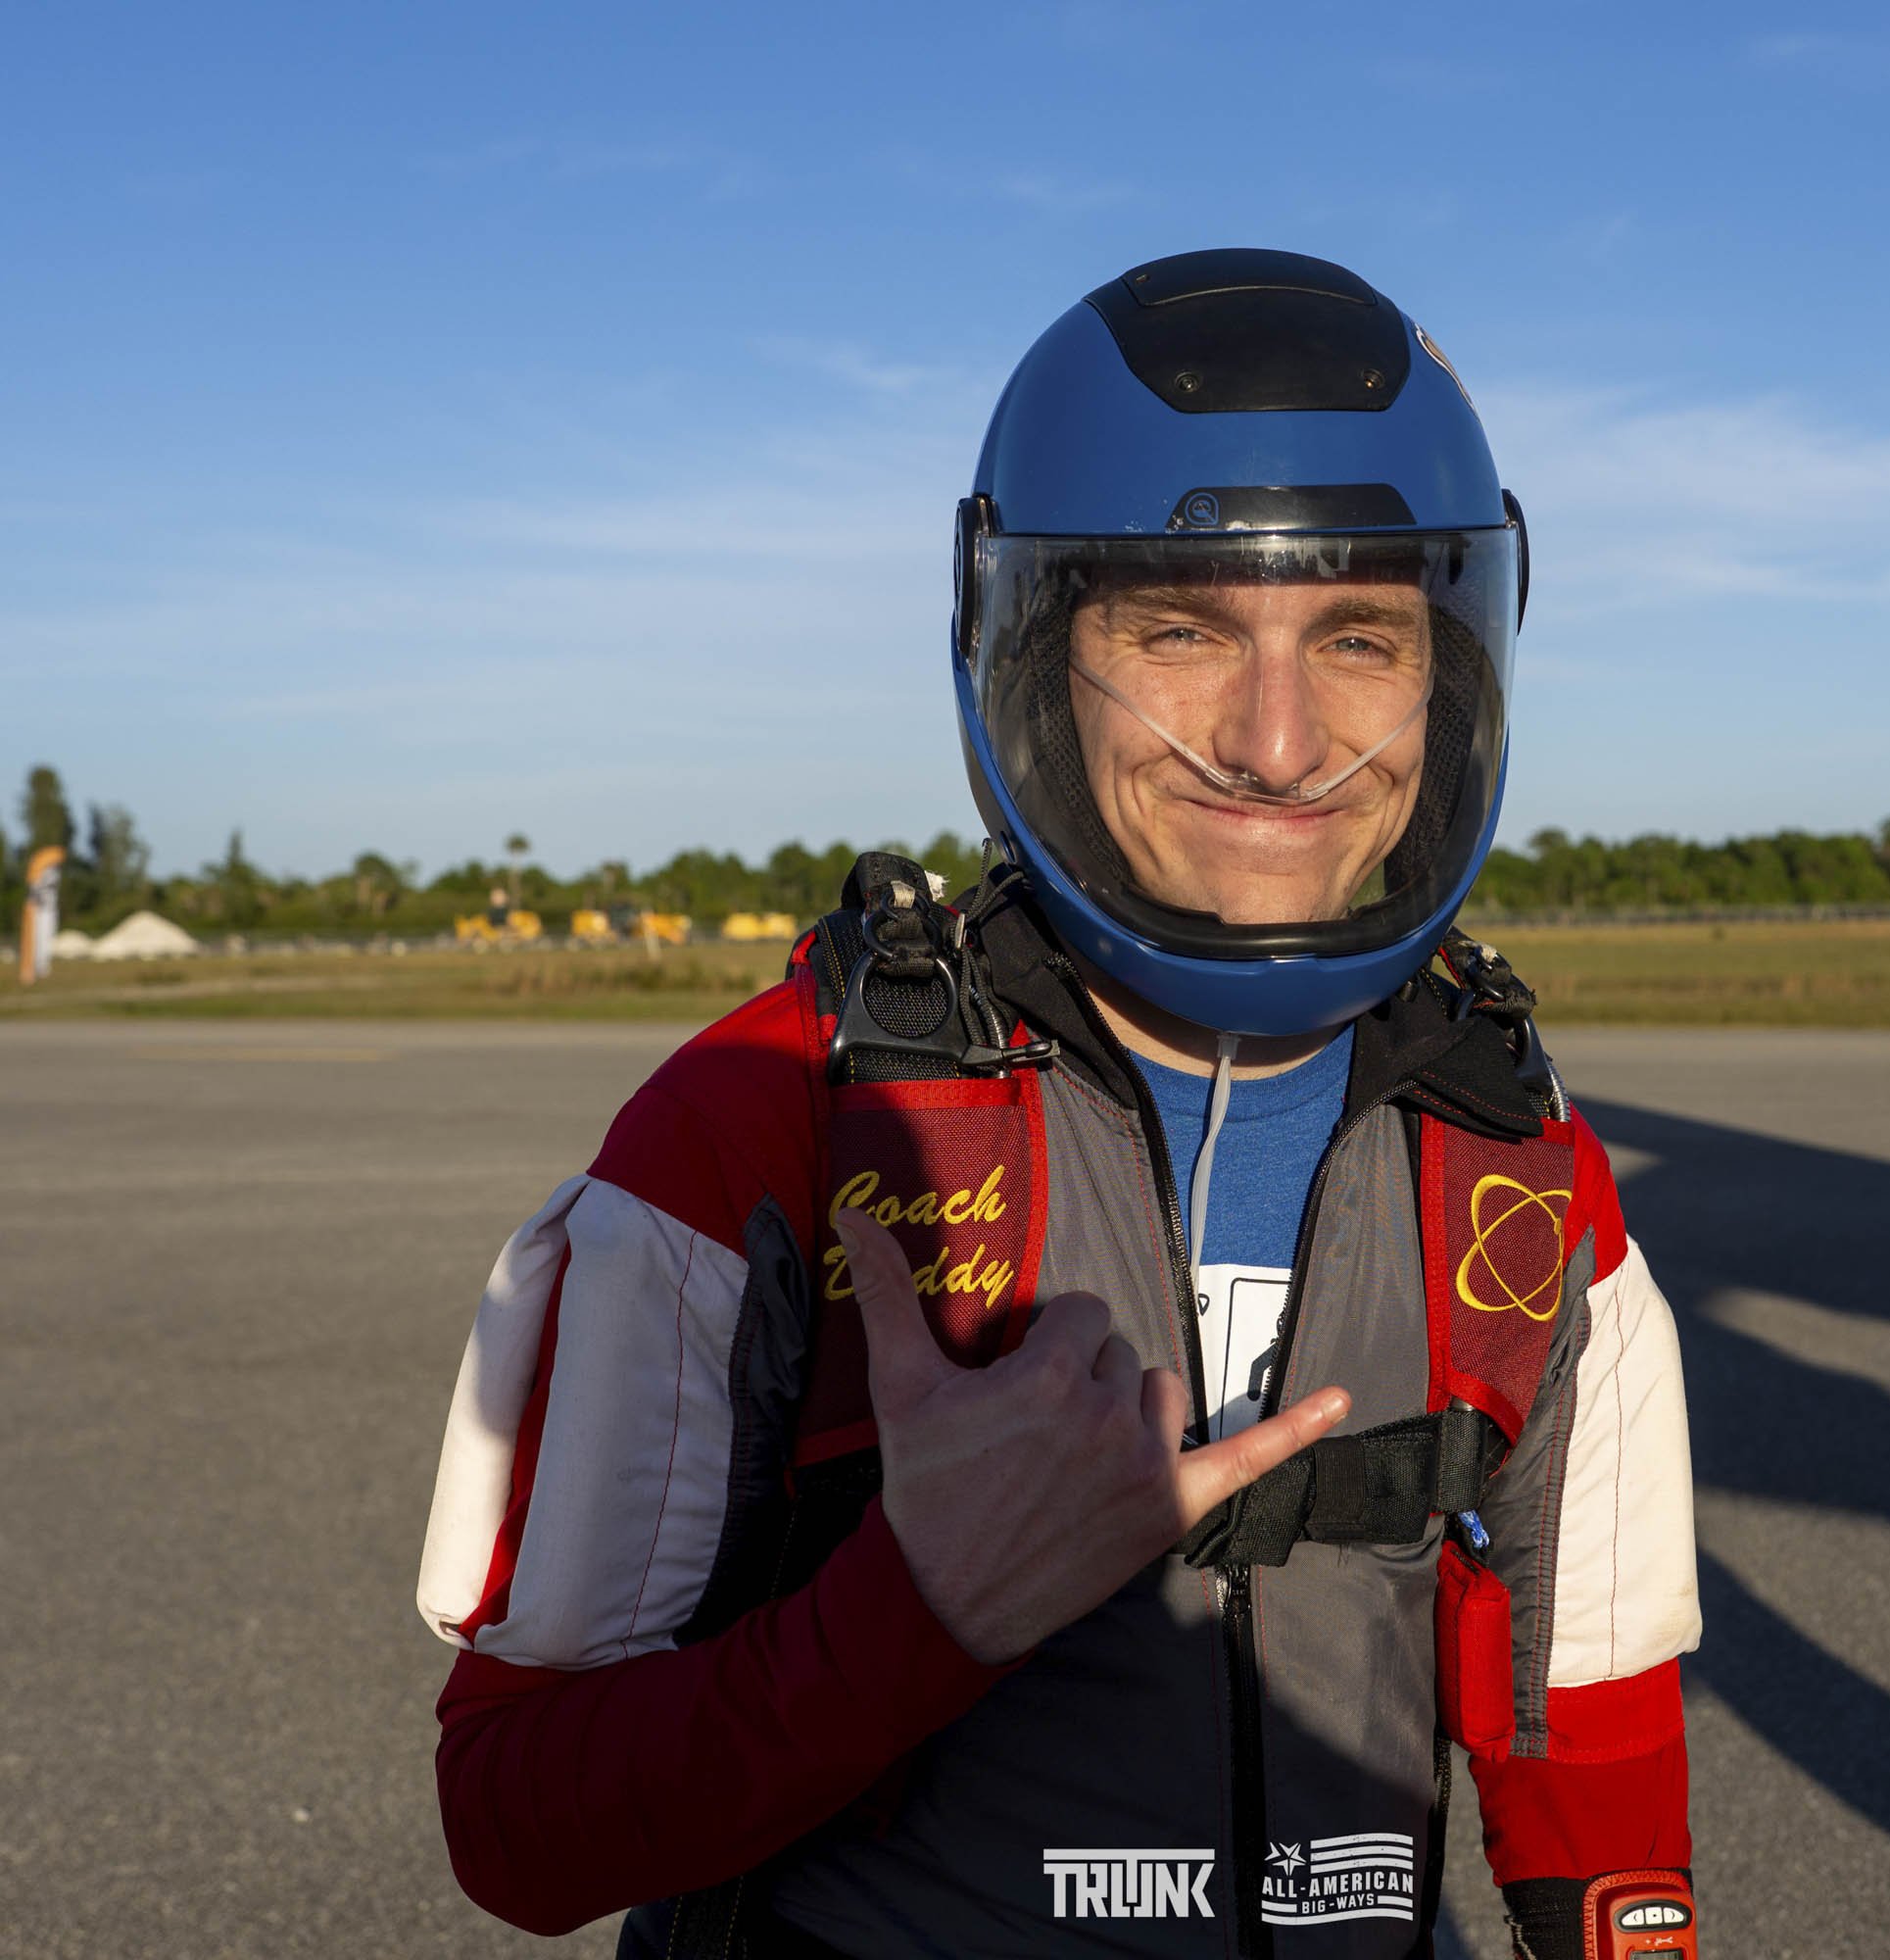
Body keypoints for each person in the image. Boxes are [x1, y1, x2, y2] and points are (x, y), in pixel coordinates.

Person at [415, 248, 1701, 1960]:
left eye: (1362, 635)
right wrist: (912, 1613)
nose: (1277, 739)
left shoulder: (1518, 1168)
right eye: (1177, 630)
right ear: (1026, 652)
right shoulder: (773, 1125)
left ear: (1454, 673)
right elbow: (518, 1824)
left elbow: (1592, 1744)